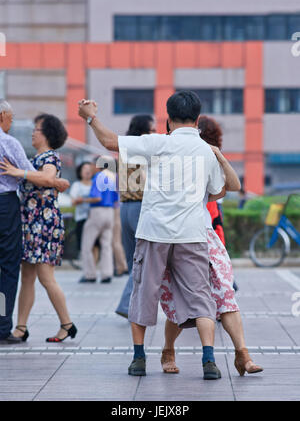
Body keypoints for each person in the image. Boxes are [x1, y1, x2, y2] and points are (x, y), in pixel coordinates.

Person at [78, 91, 227, 380]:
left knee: (144, 291)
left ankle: (139, 358)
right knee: (200, 296)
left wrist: (91, 117)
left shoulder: (158, 142)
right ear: (197, 119)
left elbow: (110, 142)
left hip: (154, 231)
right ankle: (209, 360)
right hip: (192, 233)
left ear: (168, 118)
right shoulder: (206, 151)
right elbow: (218, 190)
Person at [159, 115, 263, 377]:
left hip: (204, 235)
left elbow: (234, 186)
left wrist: (219, 155)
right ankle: (168, 349)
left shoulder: (206, 158)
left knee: (226, 295)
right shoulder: (166, 154)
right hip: (175, 236)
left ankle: (243, 355)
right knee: (179, 300)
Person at [0, 113, 77, 343]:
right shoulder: (35, 158)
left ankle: (67, 324)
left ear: (47, 135)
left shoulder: (50, 158)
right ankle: (21, 328)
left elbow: (46, 178)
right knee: (27, 277)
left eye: (37, 129)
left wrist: (18, 173)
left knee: (46, 277)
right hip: (30, 223)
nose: (32, 132)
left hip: (45, 224)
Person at [115, 115, 156, 318]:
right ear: (144, 131)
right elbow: (148, 181)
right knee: (143, 261)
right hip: (141, 207)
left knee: (134, 261)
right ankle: (126, 304)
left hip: (125, 208)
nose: (155, 133)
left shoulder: (125, 150)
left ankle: (133, 304)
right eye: (152, 129)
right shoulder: (143, 150)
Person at [80, 155, 119, 284]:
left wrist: (82, 199)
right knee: (106, 245)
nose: (90, 167)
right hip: (110, 212)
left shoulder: (97, 178)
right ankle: (107, 274)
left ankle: (90, 274)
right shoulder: (111, 178)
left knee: (87, 244)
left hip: (97, 211)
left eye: (92, 164)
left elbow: (97, 198)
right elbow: (115, 199)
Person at [70, 162, 94, 255]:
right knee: (83, 244)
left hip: (94, 218)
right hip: (81, 218)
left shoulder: (95, 184)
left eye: (89, 169)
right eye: (84, 168)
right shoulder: (76, 185)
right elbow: (72, 201)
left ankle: (93, 266)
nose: (87, 171)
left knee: (95, 244)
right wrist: (78, 200)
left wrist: (83, 200)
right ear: (80, 172)